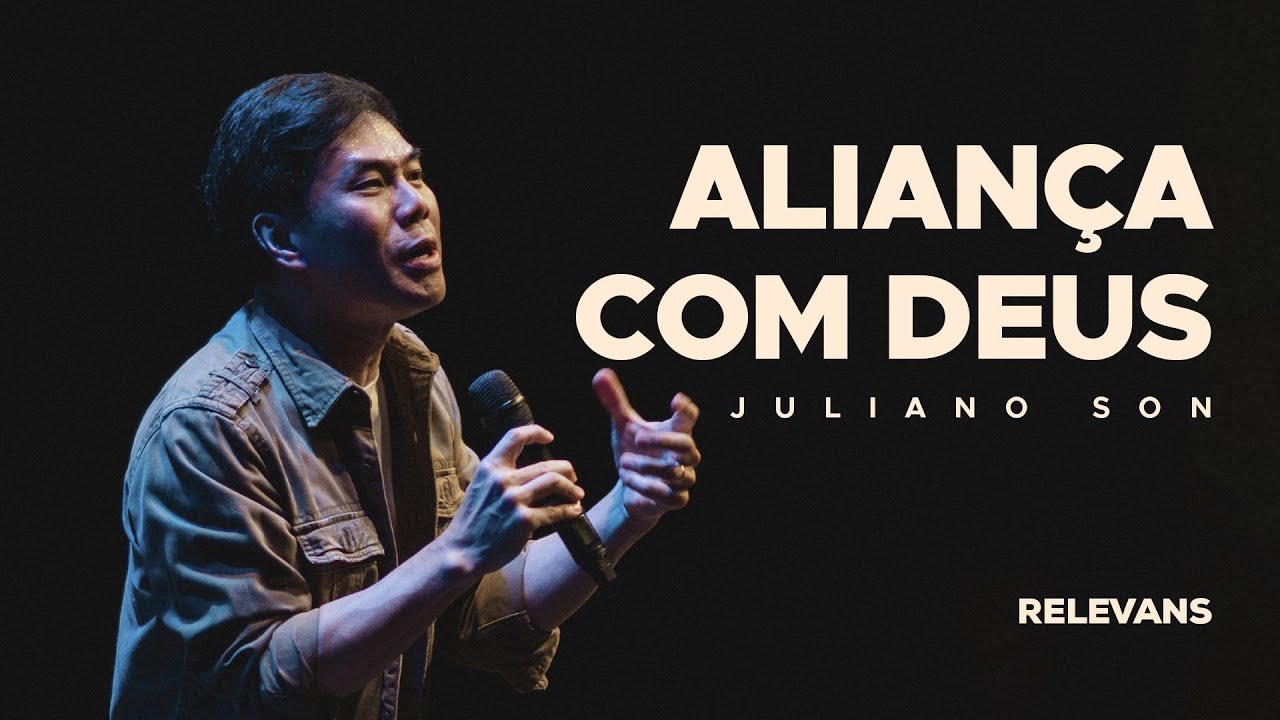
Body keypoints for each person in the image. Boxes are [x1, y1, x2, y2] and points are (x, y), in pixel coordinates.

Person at [110, 73, 701, 720]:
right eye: (371, 183)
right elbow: (255, 680)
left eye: (415, 174)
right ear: (281, 239)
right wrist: (459, 551)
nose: (415, 203)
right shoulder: (210, 425)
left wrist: (628, 507)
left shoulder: (409, 373)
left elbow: (482, 613)